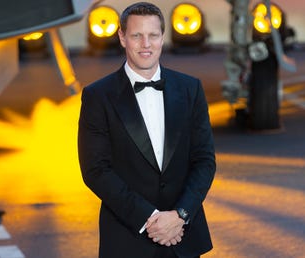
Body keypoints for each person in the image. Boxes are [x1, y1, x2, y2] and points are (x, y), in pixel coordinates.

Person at [78, 2, 216, 258]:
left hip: (183, 238)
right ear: (122, 38)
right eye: (136, 35)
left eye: (153, 35)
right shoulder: (98, 95)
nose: (146, 44)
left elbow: (205, 161)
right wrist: (150, 219)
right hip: (127, 240)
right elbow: (95, 170)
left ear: (162, 38)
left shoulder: (190, 89)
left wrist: (180, 216)